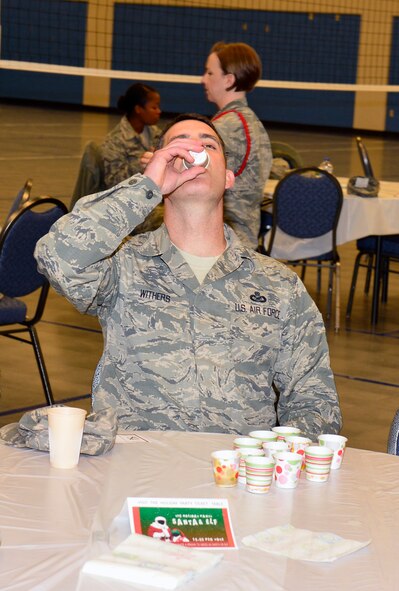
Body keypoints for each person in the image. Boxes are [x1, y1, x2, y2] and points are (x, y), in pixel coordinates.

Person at [34, 113, 342, 441]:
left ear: (227, 178)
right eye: (179, 145)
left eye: (208, 145)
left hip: (238, 478)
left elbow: (314, 400)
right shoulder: (122, 265)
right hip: (136, 474)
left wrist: (275, 465)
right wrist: (147, 187)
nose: (194, 153)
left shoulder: (278, 285)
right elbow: (57, 256)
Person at [202, 41, 272, 250]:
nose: (203, 79)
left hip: (224, 243)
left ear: (229, 80)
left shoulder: (226, 127)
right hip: (243, 239)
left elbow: (200, 180)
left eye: (209, 73)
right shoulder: (251, 120)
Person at [101, 82, 162, 189]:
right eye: (154, 107)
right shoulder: (115, 141)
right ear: (138, 109)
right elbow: (113, 182)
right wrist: (142, 163)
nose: (159, 111)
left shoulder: (156, 133)